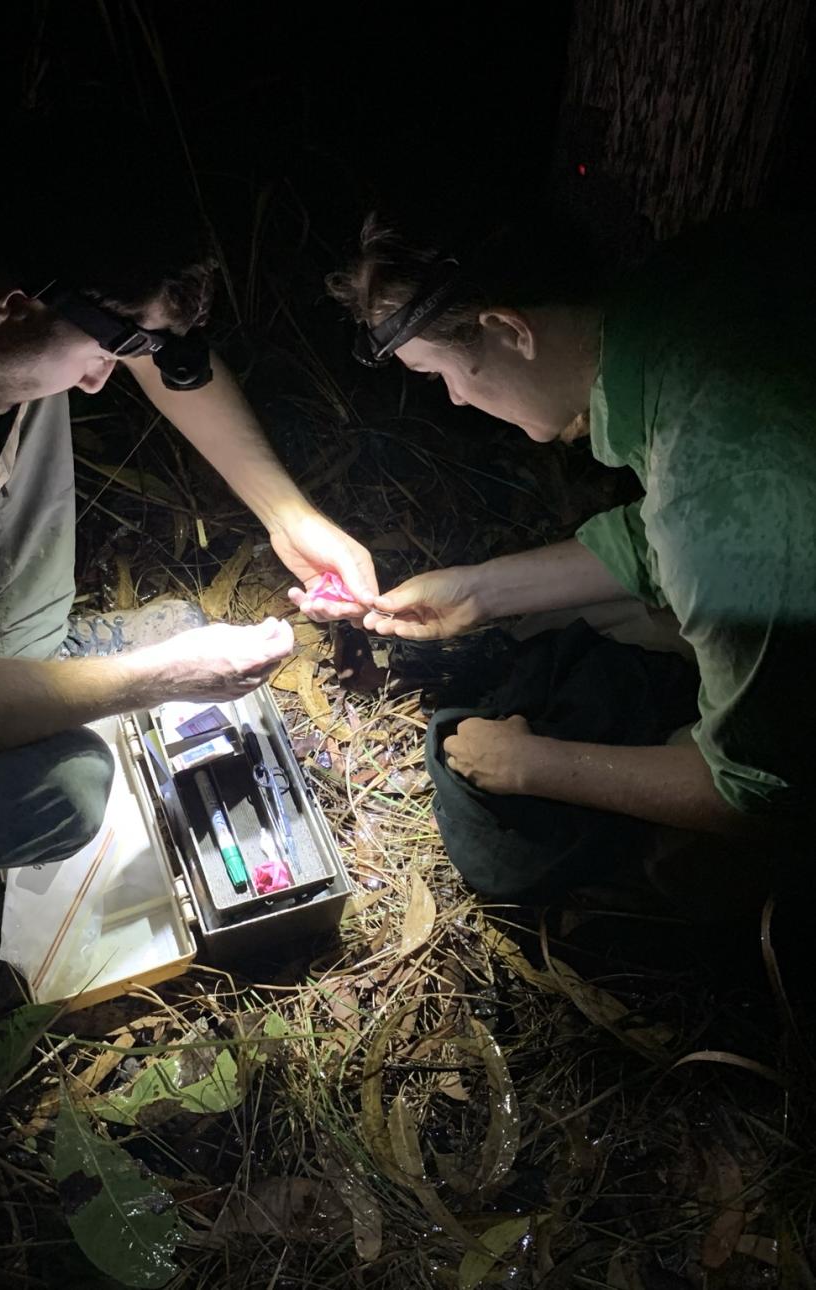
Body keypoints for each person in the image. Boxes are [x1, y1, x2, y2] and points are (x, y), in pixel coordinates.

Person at [0, 115, 376, 879]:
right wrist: (156, 677)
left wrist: (290, 517)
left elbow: (154, 356)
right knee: (71, 790)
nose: (108, 378)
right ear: (13, 302)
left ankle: (19, 661)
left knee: (38, 379)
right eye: (115, 350)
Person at [328, 211, 816, 904]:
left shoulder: (715, 505)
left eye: (443, 377)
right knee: (603, 621)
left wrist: (537, 766)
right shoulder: (697, 278)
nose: (459, 400)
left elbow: (757, 794)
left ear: (508, 330)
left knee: (678, 859)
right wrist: (483, 591)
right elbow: (665, 539)